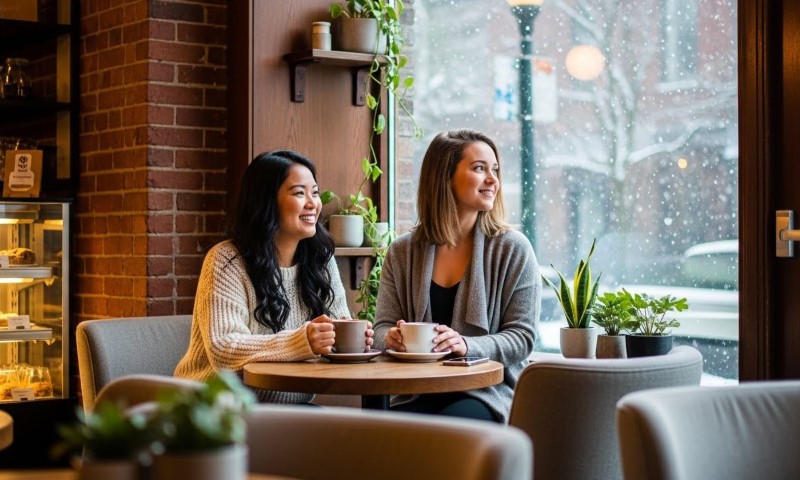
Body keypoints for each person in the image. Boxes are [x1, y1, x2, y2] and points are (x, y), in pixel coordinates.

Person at [175, 150, 373, 404]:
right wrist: (302, 341)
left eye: (315, 191)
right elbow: (225, 351)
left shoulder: (320, 259)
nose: (313, 203)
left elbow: (336, 327)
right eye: (300, 193)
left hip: (288, 410)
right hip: (215, 410)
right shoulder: (227, 260)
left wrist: (352, 339)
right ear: (266, 201)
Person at [372, 129, 541, 423]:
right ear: (444, 177)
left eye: (495, 169)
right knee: (374, 436)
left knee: (438, 434)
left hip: (487, 394)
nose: (493, 180)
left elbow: (522, 336)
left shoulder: (513, 248)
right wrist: (391, 338)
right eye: (479, 168)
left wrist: (466, 346)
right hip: (416, 392)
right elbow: (380, 329)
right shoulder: (402, 251)